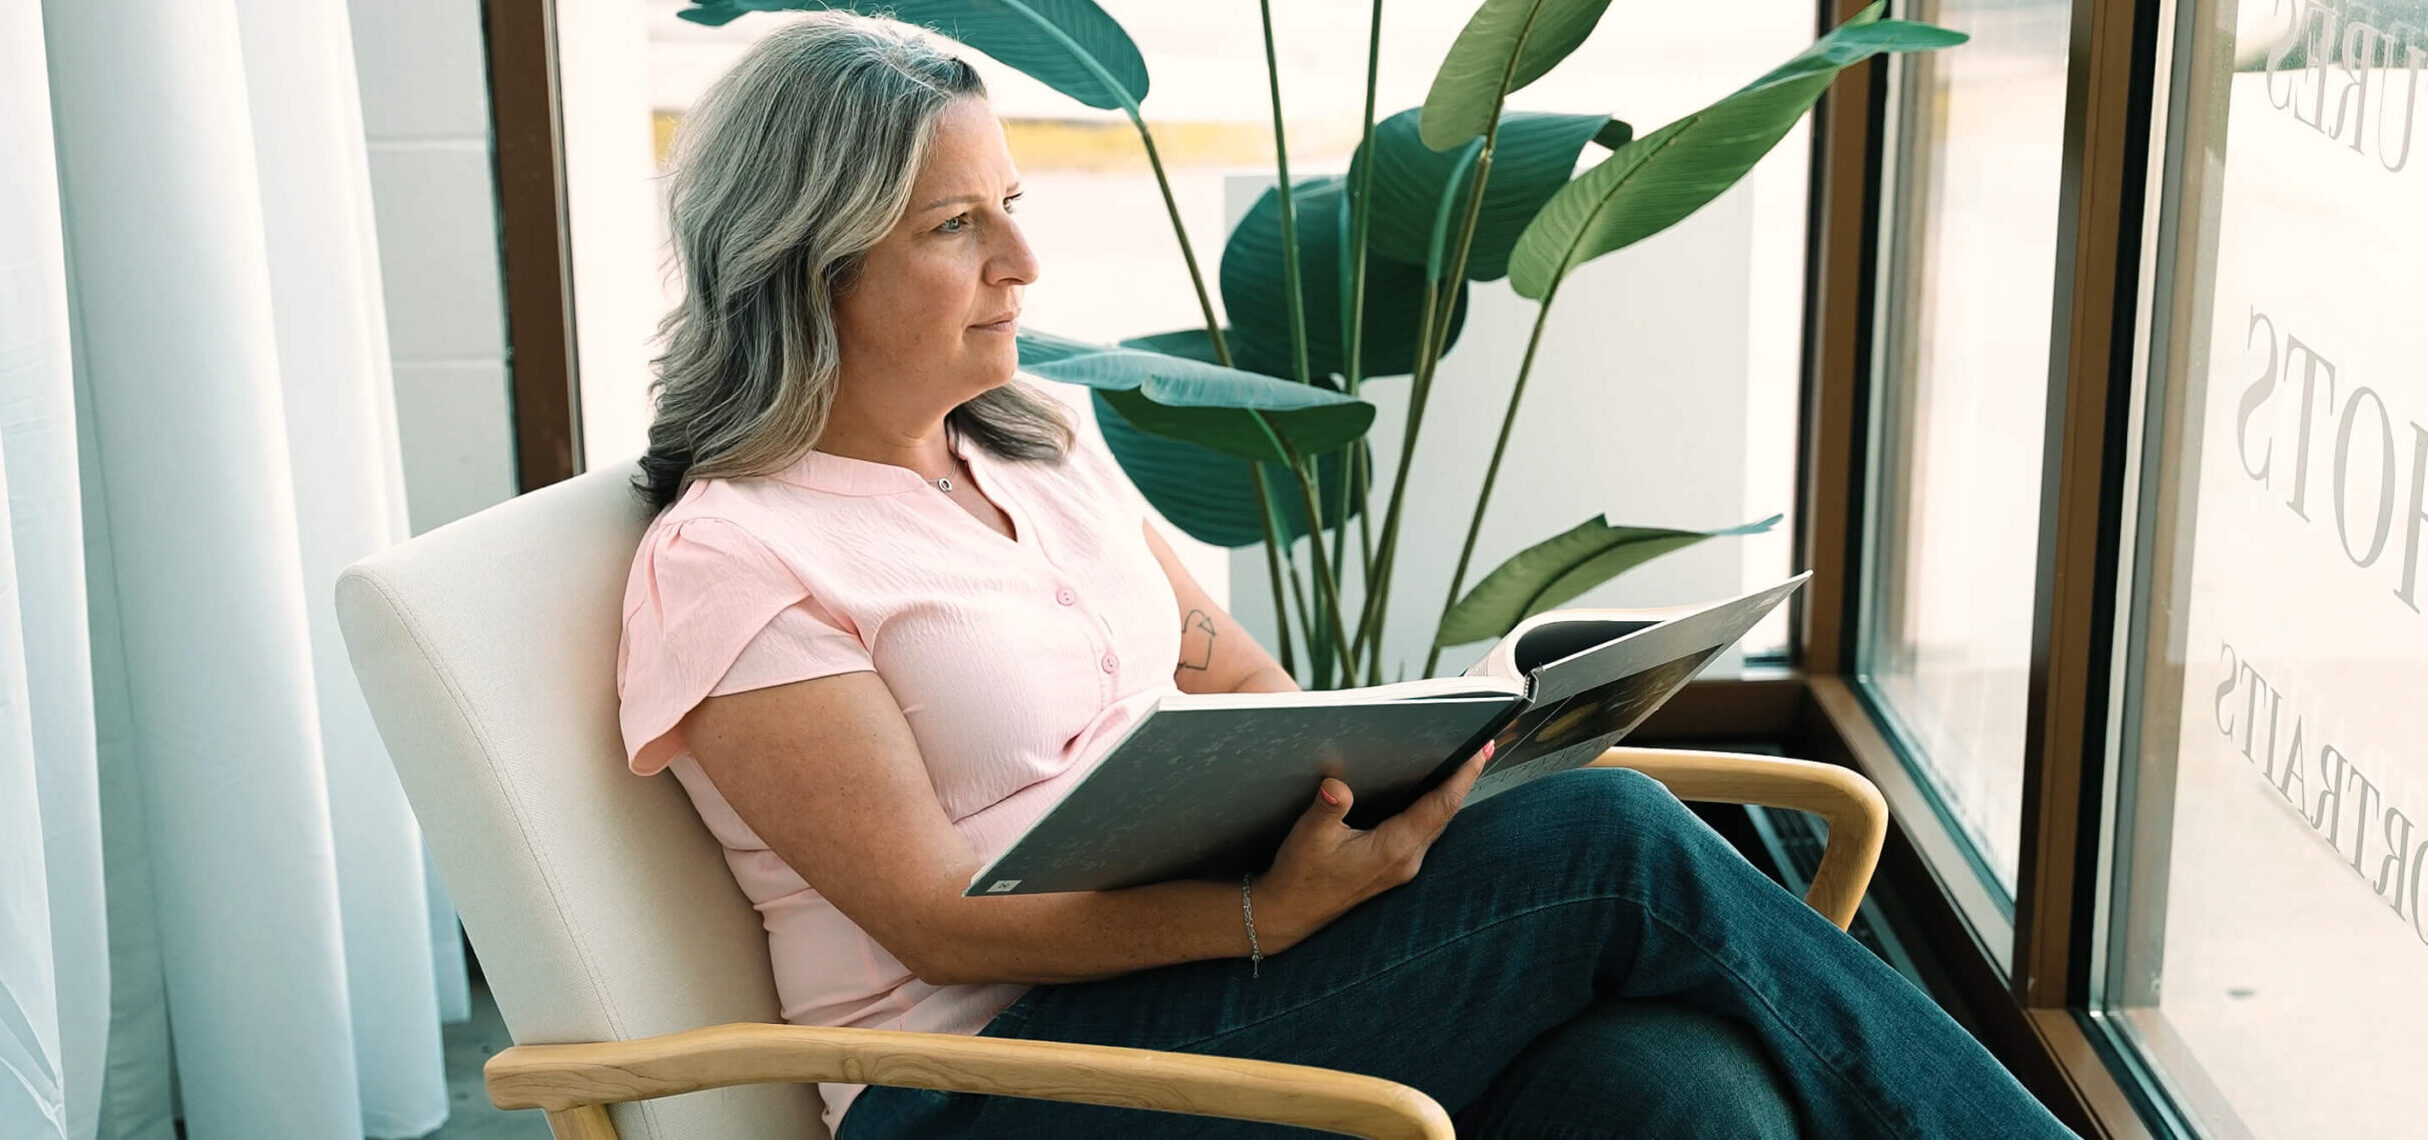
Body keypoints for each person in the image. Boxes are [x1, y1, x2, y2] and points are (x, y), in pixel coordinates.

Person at [615, 12, 2078, 1139]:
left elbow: (1230, 675)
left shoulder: (1033, 448)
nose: (1021, 261)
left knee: (1677, 1089)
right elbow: (934, 920)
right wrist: (1270, 916)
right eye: (955, 225)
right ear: (808, 267)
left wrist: (1365, 779)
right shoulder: (737, 558)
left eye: (1013, 203)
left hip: (1203, 987)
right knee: (1609, 845)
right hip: (995, 1076)